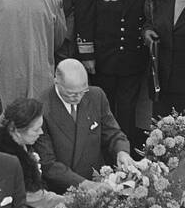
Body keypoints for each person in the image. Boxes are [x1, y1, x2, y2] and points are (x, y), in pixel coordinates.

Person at [74, 0, 157, 147]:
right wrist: (87, 55)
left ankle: (126, 151)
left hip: (133, 54)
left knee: (128, 107)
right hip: (103, 56)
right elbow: (84, 18)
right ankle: (106, 151)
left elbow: (153, 7)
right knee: (105, 106)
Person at [35, 59, 134, 191]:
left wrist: (122, 152)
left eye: (83, 91)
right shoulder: (41, 107)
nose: (78, 97)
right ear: (56, 82)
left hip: (98, 180)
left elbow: (112, 133)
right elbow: (48, 164)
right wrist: (86, 185)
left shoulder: (96, 96)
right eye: (71, 93)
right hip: (64, 187)